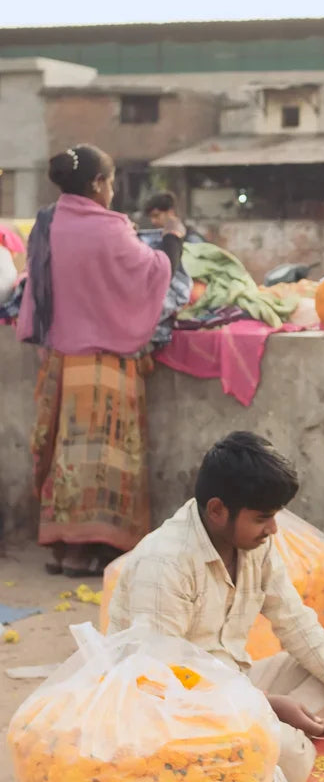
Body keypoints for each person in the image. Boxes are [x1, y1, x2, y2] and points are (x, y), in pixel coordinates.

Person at [107, 431, 324, 782]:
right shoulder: (165, 562)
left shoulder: (256, 546)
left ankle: (273, 737)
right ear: (217, 510)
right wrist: (265, 704)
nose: (273, 529)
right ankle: (275, 740)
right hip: (177, 712)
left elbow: (296, 625)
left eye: (275, 516)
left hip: (236, 684)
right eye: (262, 518)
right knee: (291, 757)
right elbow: (157, 681)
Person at [17, 146, 183, 577]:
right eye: (109, 181)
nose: (111, 190)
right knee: (101, 462)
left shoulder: (47, 221)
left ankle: (62, 548)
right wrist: (172, 243)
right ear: (97, 184)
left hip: (58, 363)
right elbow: (152, 275)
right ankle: (90, 550)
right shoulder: (109, 230)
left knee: (63, 458)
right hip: (102, 366)